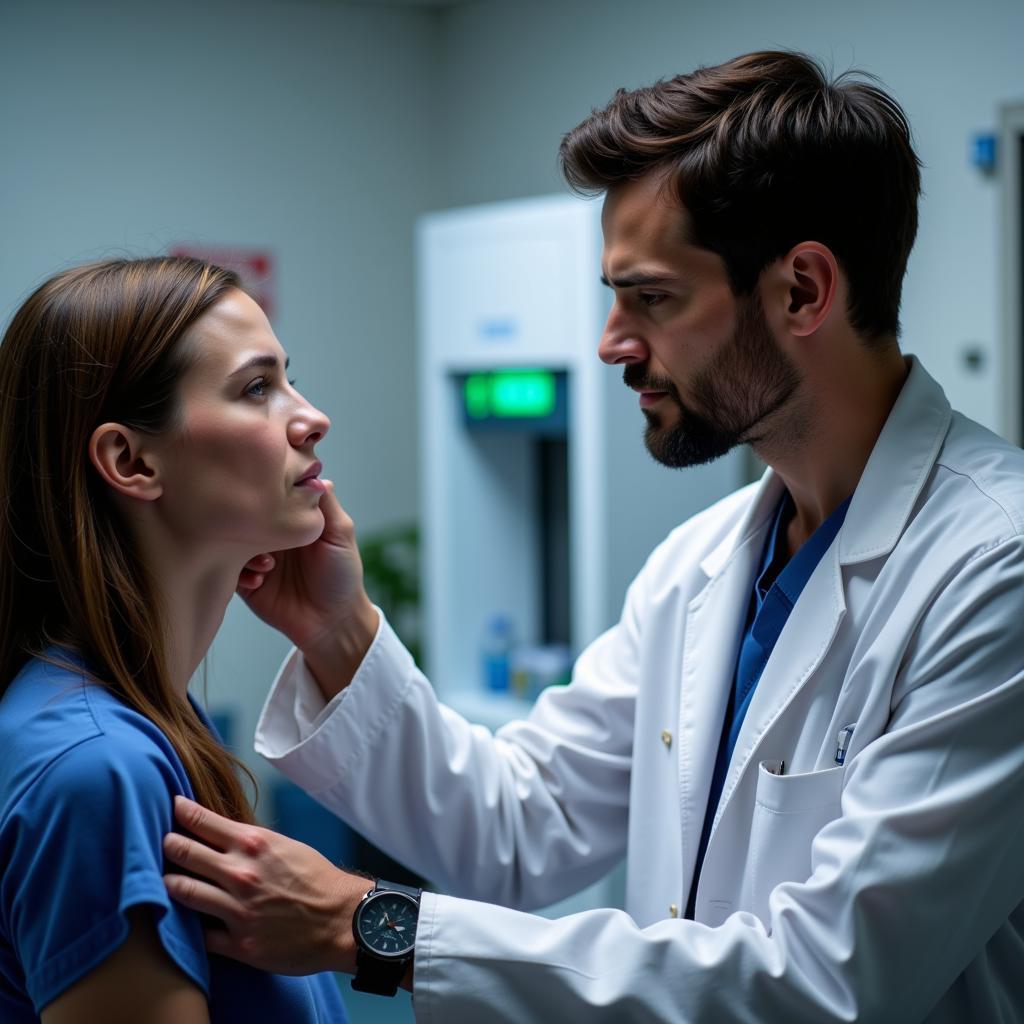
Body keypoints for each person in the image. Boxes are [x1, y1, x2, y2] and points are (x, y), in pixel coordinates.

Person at [163, 51, 1024, 1021]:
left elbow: (832, 980)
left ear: (801, 291)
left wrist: (374, 926)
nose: (610, 339)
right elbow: (523, 826)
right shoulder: (701, 562)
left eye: (649, 297)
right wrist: (337, 632)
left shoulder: (994, 568)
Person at [0, 257, 351, 1023]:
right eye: (258, 388)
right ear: (131, 461)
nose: (311, 416)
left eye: (287, 379)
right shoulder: (100, 768)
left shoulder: (140, 716)